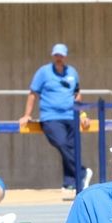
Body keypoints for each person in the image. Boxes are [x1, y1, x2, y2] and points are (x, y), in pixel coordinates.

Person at [20, 43, 88, 194]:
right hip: (51, 116)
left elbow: (77, 93)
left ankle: (70, 183)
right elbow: (33, 94)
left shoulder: (72, 72)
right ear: (53, 55)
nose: (59, 58)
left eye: (61, 55)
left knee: (71, 148)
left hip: (71, 115)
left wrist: (82, 114)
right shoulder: (43, 72)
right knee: (61, 143)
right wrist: (27, 114)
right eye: (56, 55)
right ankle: (81, 172)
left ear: (65, 56)